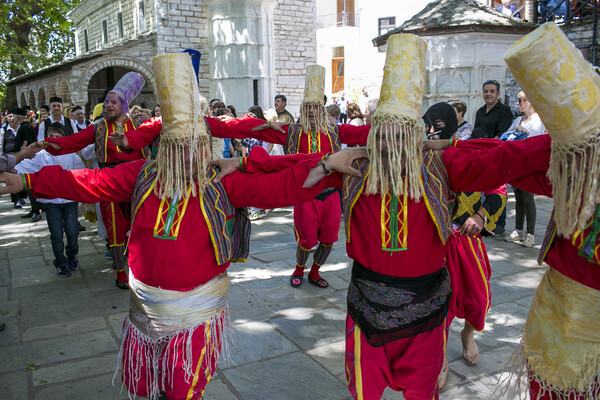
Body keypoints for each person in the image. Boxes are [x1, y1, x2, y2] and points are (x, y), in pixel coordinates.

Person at [0, 52, 366, 400]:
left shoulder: (220, 182)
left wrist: (325, 163)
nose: (190, 152)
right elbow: (87, 181)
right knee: (147, 385)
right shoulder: (142, 175)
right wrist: (30, 183)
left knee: (182, 388)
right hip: (143, 310)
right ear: (165, 146)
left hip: (194, 315)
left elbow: (281, 188)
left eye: (197, 144)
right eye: (179, 145)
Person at [115, 65, 371, 290]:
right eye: (309, 107)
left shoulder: (337, 132)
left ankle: (315, 272)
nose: (313, 112)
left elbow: (366, 136)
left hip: (324, 189)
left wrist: (395, 131)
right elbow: (251, 133)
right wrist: (128, 141)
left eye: (317, 107)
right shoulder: (291, 132)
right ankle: (299, 269)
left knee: (329, 238)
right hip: (301, 190)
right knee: (306, 238)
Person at [422, 102, 507, 388]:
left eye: (438, 126)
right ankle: (440, 357)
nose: (431, 131)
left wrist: (481, 215)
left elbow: (498, 189)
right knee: (439, 306)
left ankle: (467, 334)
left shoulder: (469, 154)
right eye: (428, 125)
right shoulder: (419, 158)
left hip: (467, 242)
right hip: (434, 243)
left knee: (479, 299)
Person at [40, 72, 150, 289]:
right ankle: (121, 274)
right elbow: (72, 142)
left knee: (140, 228)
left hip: (136, 184)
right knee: (115, 231)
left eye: (113, 102)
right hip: (108, 185)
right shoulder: (98, 127)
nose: (108, 106)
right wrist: (44, 145)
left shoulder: (138, 127)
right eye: (107, 102)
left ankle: (141, 269)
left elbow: (149, 151)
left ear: (124, 104)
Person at [15, 123, 85, 277]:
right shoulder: (41, 155)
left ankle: (72, 254)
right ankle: (60, 263)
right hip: (51, 203)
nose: (54, 139)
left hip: (69, 200)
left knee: (73, 232)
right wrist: (14, 164)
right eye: (51, 136)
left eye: (57, 137)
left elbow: (82, 173)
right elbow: (23, 166)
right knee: (56, 234)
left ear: (63, 139)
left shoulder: (71, 155)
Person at [504, 90, 547, 248]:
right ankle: (518, 229)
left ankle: (530, 233)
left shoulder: (538, 120)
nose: (518, 103)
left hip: (530, 164)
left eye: (521, 100)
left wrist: (522, 134)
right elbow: (506, 135)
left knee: (528, 198)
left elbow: (536, 141)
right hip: (516, 163)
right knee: (519, 198)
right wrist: (517, 131)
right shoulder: (518, 119)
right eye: (518, 100)